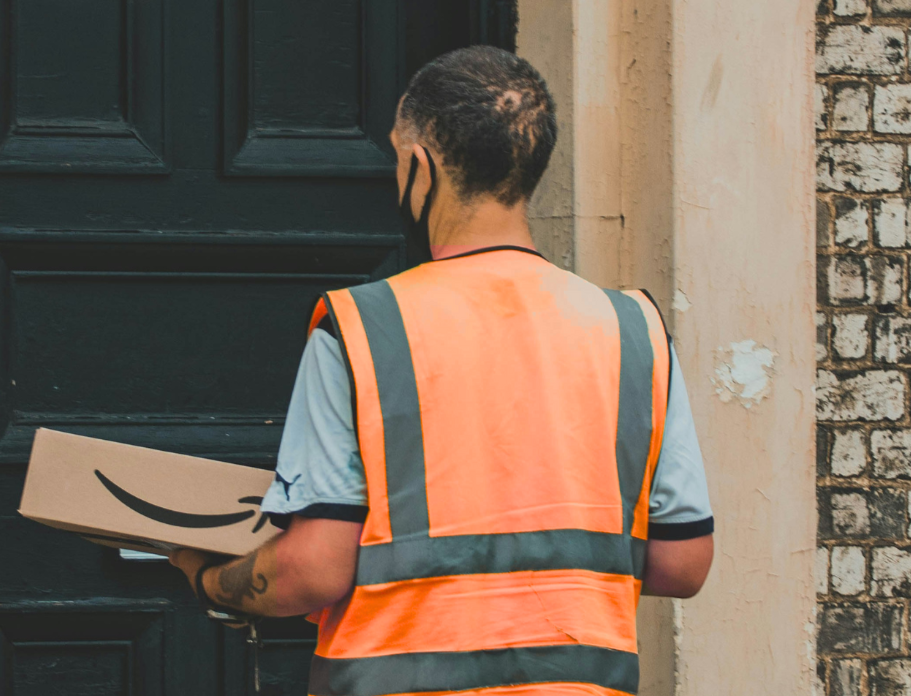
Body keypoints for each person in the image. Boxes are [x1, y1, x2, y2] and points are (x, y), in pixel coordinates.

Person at [169, 45, 714, 696]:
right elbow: (682, 562)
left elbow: (310, 571)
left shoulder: (362, 328)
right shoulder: (633, 330)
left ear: (418, 164)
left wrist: (207, 575)